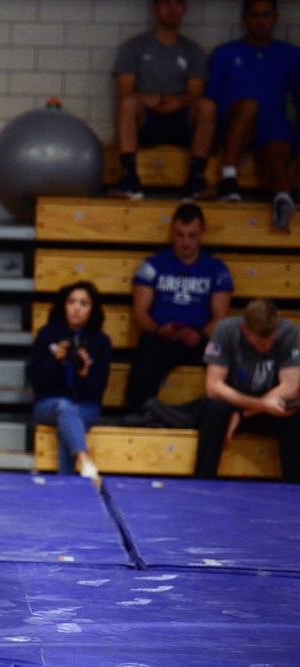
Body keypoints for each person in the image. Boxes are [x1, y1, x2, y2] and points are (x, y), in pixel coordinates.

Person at [126, 203, 233, 412]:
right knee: (144, 356)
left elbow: (220, 317)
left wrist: (200, 335)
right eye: (180, 235)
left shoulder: (217, 269)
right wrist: (158, 330)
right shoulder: (151, 265)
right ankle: (137, 417)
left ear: (202, 232)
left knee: (226, 356)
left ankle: (218, 417)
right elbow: (139, 312)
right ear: (172, 232)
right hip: (161, 337)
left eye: (192, 235)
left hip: (200, 339)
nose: (186, 241)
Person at [205, 0, 300, 229]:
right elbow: (209, 102)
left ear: (275, 18)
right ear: (245, 18)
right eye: (254, 15)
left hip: (271, 125)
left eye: (266, 15)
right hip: (234, 122)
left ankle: (283, 199)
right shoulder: (224, 53)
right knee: (249, 106)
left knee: (277, 160)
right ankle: (228, 179)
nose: (260, 21)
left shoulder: (290, 55)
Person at [109, 0, 217, 201]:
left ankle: (196, 179)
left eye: (177, 4)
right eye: (165, 3)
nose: (171, 10)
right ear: (155, 8)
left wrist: (161, 99)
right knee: (127, 104)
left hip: (180, 120)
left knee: (207, 107)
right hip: (146, 121)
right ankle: (129, 179)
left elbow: (195, 95)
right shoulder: (135, 47)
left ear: (184, 9)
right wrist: (153, 100)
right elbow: (125, 92)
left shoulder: (193, 50)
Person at [195, 300, 299, 482]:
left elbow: (290, 387)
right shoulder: (226, 329)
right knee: (215, 410)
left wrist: (243, 414)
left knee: (292, 413)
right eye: (259, 342)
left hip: (263, 409)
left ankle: (294, 486)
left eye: (271, 340)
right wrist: (257, 406)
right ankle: (203, 482)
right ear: (245, 329)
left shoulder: (289, 331)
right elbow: (213, 387)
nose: (265, 347)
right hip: (235, 405)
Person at [29, 282, 112, 480]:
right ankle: (84, 459)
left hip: (87, 407)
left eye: (84, 303)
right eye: (72, 301)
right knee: (65, 408)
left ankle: (65, 484)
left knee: (66, 424)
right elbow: (36, 381)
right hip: (48, 404)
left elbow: (98, 390)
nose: (77, 308)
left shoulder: (101, 342)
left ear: (92, 309)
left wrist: (83, 373)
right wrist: (54, 359)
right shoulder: (47, 334)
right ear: (63, 305)